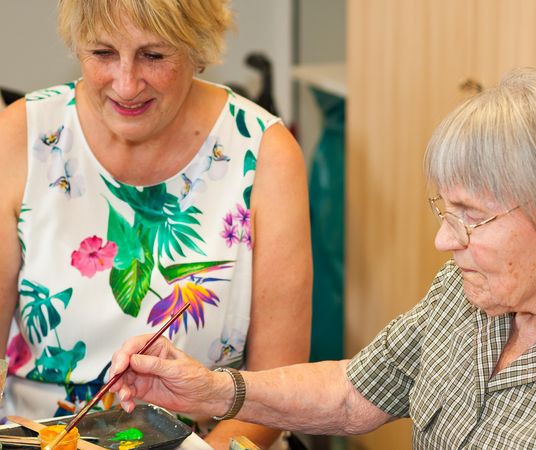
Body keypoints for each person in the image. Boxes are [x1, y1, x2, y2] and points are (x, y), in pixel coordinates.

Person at [109, 68, 536, 448]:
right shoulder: (487, 285)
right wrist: (213, 389)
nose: (444, 241)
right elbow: (356, 395)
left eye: (472, 217)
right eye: (445, 211)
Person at [0, 1, 312, 449]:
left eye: (154, 55)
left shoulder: (265, 154)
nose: (126, 84)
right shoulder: (22, 138)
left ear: (197, 48)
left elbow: (276, 389)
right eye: (103, 53)